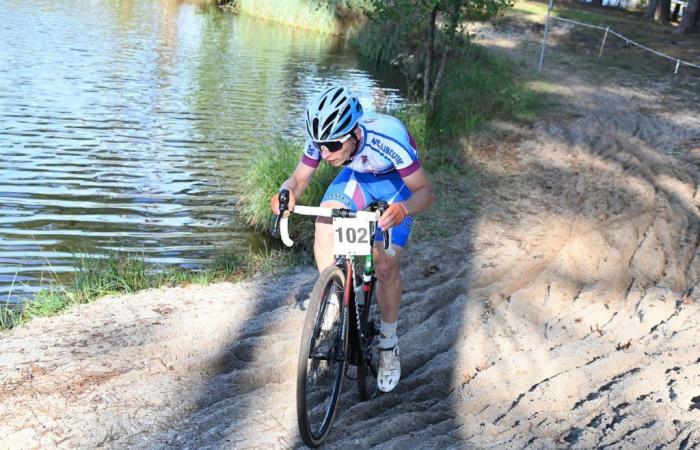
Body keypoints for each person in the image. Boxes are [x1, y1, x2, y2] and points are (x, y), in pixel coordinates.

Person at [271, 85, 435, 392]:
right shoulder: (326, 141)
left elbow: (426, 193)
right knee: (325, 219)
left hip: (396, 189)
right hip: (358, 181)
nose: (325, 154)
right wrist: (286, 193)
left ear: (353, 134)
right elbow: (297, 180)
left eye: (332, 146)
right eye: (320, 146)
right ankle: (334, 294)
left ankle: (388, 343)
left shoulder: (389, 140)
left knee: (383, 264)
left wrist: (402, 210)